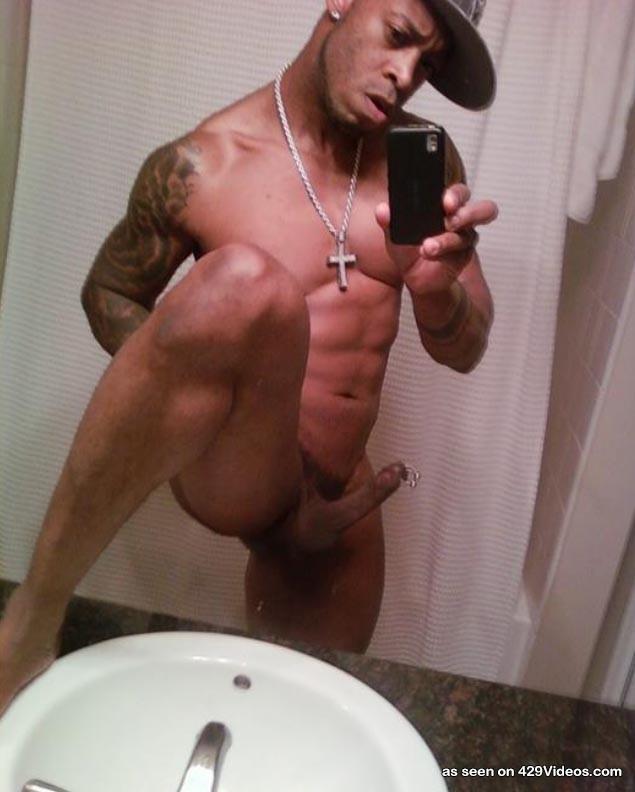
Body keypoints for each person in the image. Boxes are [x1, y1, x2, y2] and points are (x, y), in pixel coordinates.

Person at [0, 0, 498, 716]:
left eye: (426, 65)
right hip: (244, 474)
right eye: (397, 37)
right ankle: (31, 617)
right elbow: (106, 292)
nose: (404, 74)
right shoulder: (203, 165)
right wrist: (207, 375)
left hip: (342, 502)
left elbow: (465, 348)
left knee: (303, 722)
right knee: (245, 283)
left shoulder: (420, 159)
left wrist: (435, 294)